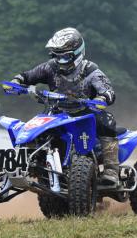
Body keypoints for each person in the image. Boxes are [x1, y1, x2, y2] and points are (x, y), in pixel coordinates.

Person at [8, 27, 119, 185]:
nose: (60, 61)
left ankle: (111, 170)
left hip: (85, 113)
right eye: (56, 56)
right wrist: (16, 82)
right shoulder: (50, 67)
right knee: (35, 128)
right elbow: (28, 76)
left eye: (65, 57)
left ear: (77, 53)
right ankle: (28, 162)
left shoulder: (90, 70)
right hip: (56, 113)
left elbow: (108, 91)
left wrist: (102, 98)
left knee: (107, 121)